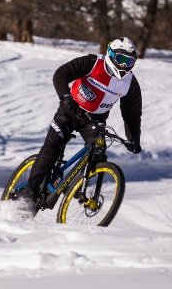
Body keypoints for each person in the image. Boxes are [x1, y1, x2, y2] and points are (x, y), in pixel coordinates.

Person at [22, 37, 143, 215]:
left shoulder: (130, 84)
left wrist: (133, 139)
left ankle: (80, 188)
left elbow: (132, 113)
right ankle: (28, 197)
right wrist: (65, 97)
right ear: (110, 54)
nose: (124, 66)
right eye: (121, 60)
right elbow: (61, 74)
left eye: (129, 62)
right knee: (52, 148)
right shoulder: (92, 63)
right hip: (69, 111)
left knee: (99, 149)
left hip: (93, 120)